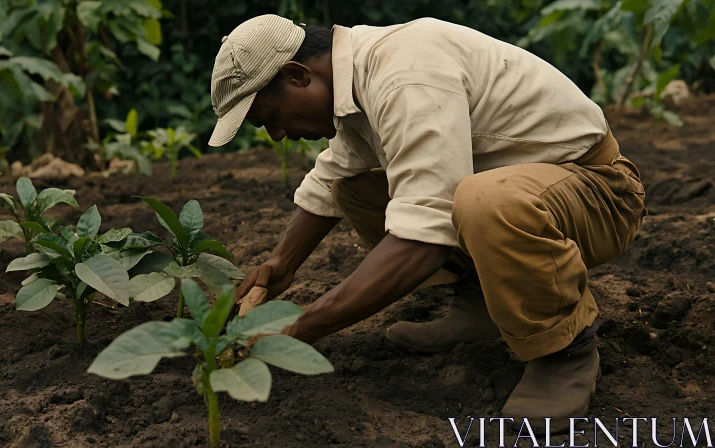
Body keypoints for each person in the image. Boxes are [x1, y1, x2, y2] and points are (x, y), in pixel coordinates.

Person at [207, 14, 646, 428]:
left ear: (298, 75)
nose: (278, 134)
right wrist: (281, 265)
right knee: (355, 191)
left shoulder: (405, 75)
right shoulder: (357, 77)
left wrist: (302, 327)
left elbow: (424, 238)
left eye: (270, 118)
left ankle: (563, 350)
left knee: (482, 201)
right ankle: (480, 303)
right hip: (535, 192)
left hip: (599, 191)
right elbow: (331, 177)